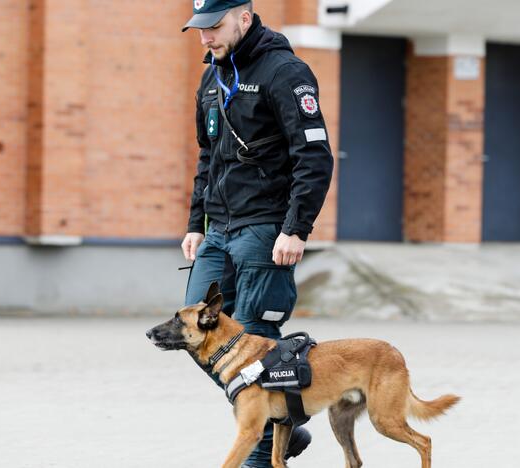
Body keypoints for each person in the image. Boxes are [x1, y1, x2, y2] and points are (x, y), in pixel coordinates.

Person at [181, 1, 334, 466]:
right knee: (193, 331)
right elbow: (208, 159)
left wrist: (295, 228)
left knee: (255, 334)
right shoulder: (212, 80)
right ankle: (283, 419)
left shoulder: (285, 71)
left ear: (244, 18)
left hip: (266, 229)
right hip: (219, 231)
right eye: (199, 29)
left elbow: (314, 157)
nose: (205, 38)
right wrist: (195, 223)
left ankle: (266, 447)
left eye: (214, 27)